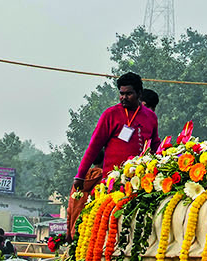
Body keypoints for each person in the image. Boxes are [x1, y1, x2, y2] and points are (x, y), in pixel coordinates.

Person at [68, 72, 159, 229]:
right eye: (121, 93)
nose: (123, 97)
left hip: (141, 182)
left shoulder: (150, 117)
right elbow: (94, 147)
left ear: (139, 94)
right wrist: (80, 175)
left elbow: (155, 146)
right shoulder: (110, 114)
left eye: (128, 94)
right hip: (113, 183)